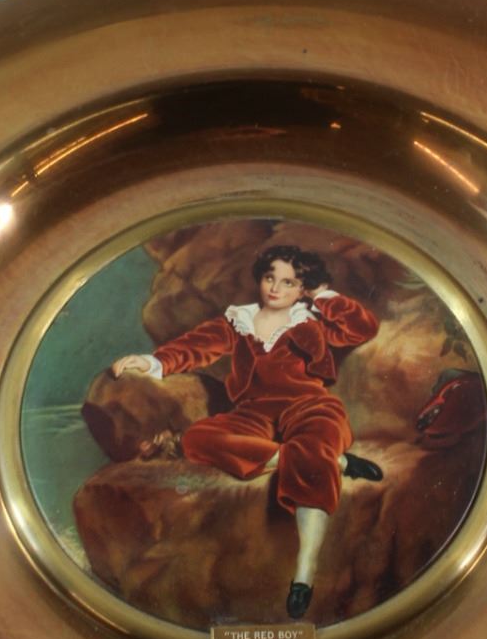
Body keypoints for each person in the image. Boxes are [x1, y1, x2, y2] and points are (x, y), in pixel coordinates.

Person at [112, 243, 382, 618]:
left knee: (315, 439)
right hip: (254, 413)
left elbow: (361, 328)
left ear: (302, 288)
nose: (275, 288)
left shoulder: (312, 320)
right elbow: (195, 347)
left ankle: (304, 573)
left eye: (288, 282)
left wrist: (322, 295)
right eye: (270, 278)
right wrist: (150, 361)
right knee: (197, 438)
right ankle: (331, 462)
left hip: (309, 407)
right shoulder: (239, 320)